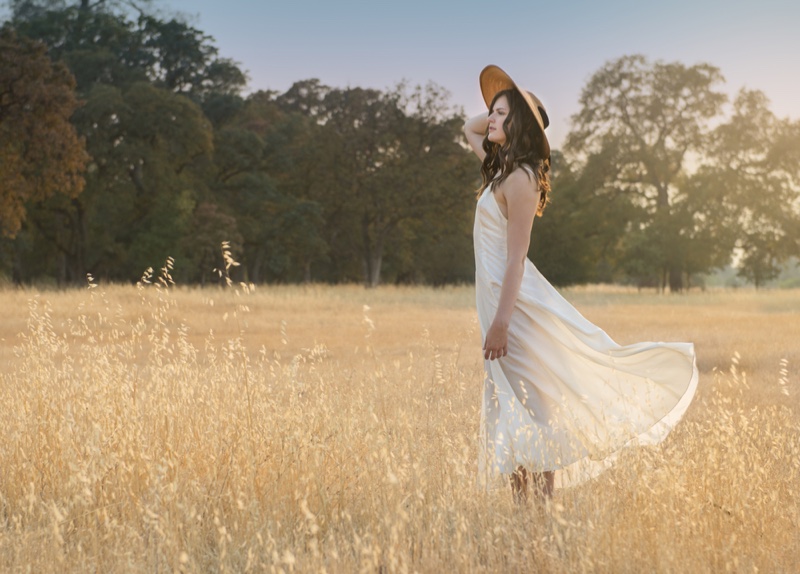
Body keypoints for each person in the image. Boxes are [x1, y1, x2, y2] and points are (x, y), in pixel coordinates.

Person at [464, 65, 698, 502]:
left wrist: (500, 323)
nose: (489, 119)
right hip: (498, 306)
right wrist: (510, 104)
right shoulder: (501, 170)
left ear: (518, 124)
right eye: (491, 112)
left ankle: (541, 512)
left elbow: (516, 258)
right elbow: (468, 128)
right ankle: (525, 519)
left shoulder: (521, 179)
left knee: (537, 409)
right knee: (514, 406)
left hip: (514, 310)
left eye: (499, 114)